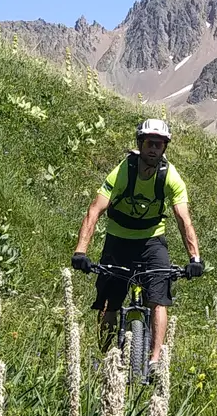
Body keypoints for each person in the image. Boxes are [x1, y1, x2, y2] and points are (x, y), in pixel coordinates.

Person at [70, 118, 203, 366]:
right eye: (150, 143)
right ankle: (106, 357)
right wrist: (81, 251)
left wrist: (194, 259)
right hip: (118, 240)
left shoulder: (170, 177)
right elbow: (94, 211)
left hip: (152, 242)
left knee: (159, 298)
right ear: (140, 144)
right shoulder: (123, 171)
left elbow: (183, 219)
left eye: (160, 144)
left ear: (165, 148)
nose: (154, 149)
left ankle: (154, 362)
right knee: (110, 303)